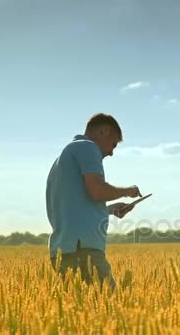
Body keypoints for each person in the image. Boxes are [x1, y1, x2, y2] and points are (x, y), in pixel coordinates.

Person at [46, 113, 141, 289]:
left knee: (82, 312)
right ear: (104, 131)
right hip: (83, 250)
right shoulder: (87, 147)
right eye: (113, 144)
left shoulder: (64, 158)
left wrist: (110, 209)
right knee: (109, 308)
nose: (111, 153)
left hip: (65, 250)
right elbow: (97, 191)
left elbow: (74, 206)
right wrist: (128, 191)